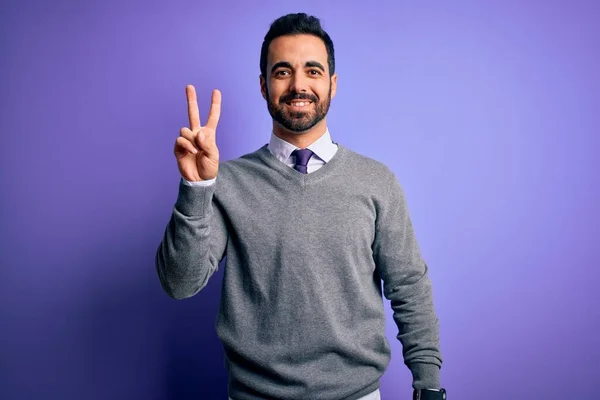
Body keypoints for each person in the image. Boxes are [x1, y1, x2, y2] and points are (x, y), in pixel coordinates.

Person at [156, 12, 445, 400]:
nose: (298, 85)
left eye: (312, 71)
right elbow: (179, 283)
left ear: (332, 84)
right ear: (263, 86)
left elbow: (409, 286)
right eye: (282, 72)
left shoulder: (377, 182)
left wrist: (428, 385)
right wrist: (197, 185)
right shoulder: (227, 182)